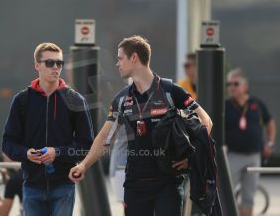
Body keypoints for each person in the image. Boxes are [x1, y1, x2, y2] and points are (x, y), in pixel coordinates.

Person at [69, 35, 213, 215]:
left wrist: (192, 154)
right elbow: (105, 138)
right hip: (135, 185)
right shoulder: (121, 99)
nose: (117, 63)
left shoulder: (170, 91)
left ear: (134, 58)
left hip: (169, 183)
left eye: (120, 58)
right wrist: (83, 165)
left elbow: (206, 121)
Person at [2, 42, 94, 216]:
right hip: (31, 186)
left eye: (59, 63)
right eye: (50, 63)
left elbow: (86, 146)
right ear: (37, 65)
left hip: (63, 186)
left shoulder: (75, 100)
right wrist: (26, 153)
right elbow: (8, 143)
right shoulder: (22, 100)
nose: (56, 67)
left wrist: (57, 152)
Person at [224, 68, 276, 216]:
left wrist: (270, 143)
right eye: (229, 84)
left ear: (245, 86)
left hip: (254, 156)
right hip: (233, 156)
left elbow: (270, 123)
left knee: (248, 197)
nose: (231, 87)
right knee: (226, 194)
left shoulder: (256, 104)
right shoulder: (225, 105)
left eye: (235, 83)